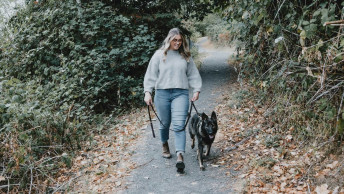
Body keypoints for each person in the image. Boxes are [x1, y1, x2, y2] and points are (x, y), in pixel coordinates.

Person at [143, 28, 202, 173]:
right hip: (162, 93)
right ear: (169, 40)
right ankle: (164, 143)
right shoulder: (159, 55)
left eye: (180, 40)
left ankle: (180, 155)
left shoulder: (185, 56)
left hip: (180, 93)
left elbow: (193, 74)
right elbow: (151, 74)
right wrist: (147, 92)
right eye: (175, 40)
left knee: (179, 125)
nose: (177, 43)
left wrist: (196, 89)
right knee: (164, 123)